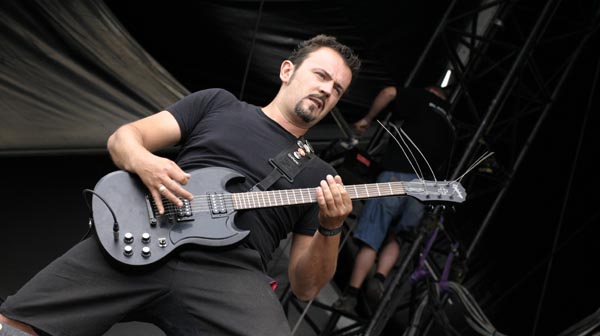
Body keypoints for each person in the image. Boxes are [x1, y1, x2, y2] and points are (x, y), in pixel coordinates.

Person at [0, 34, 361, 336]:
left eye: (337, 89)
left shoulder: (322, 176)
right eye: (320, 75)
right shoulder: (218, 104)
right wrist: (145, 162)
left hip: (231, 273)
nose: (326, 90)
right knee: (15, 325)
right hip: (147, 233)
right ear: (287, 70)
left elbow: (306, 287)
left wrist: (330, 229)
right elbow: (124, 138)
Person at [332, 84, 455, 315]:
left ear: (431, 92)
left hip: (397, 175)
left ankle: (351, 294)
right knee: (396, 237)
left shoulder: (422, 97)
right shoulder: (450, 126)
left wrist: (368, 119)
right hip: (423, 190)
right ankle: (380, 278)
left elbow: (389, 92)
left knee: (372, 236)